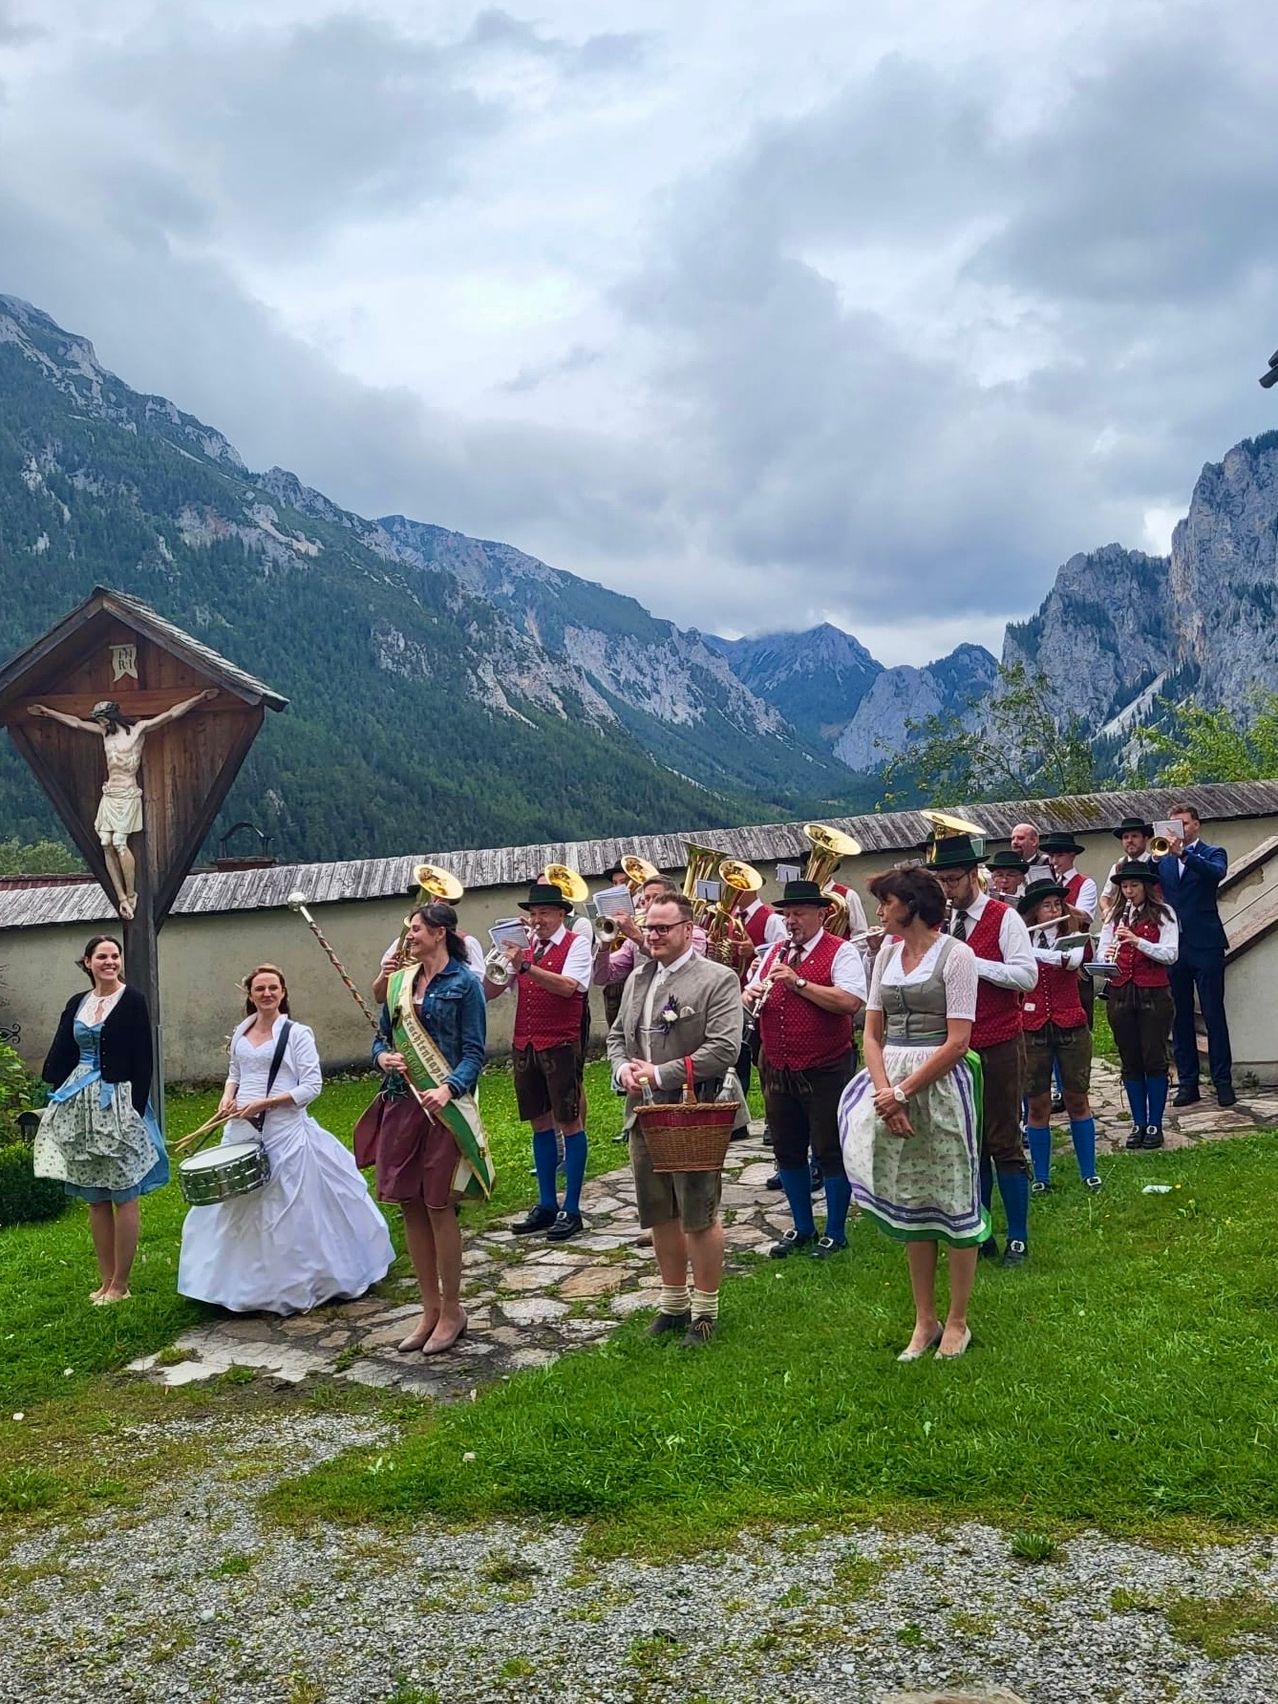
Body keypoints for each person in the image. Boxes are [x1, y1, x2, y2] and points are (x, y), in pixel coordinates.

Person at [178, 965, 394, 1315]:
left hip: (285, 1129)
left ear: (283, 992)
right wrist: (226, 1097)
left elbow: (312, 1087)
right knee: (237, 1201)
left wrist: (265, 1104)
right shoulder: (241, 1031)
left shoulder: (297, 1034)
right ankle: (237, 1283)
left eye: (273, 988)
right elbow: (236, 1072)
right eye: (260, 988)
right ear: (249, 994)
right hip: (240, 1127)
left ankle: (302, 1279)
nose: (267, 994)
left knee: (289, 1204)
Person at [838, 868, 984, 1360]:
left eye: (886, 901)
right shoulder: (885, 953)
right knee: (915, 1196)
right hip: (891, 1081)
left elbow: (959, 1040)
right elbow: (872, 1035)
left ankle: (958, 1321)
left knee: (952, 1196)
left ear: (913, 905)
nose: (878, 911)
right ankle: (925, 1320)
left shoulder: (957, 955)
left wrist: (904, 1092)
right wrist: (885, 1094)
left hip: (938, 1083)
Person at [608, 893, 743, 1346]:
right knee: (659, 1210)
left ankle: (705, 1311)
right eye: (649, 927)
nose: (654, 935)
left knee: (698, 1211)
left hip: (695, 1110)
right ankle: (672, 1303)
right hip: (644, 1110)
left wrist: (661, 1072)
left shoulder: (717, 978)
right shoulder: (637, 977)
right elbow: (615, 1037)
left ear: (688, 929)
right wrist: (622, 1069)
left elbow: (726, 1048)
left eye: (664, 928)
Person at [357, 902, 492, 1352]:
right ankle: (429, 1310)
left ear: (440, 933)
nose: (409, 935)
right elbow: (381, 1036)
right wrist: (383, 1057)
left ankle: (453, 1310)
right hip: (401, 1104)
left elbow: (474, 1051)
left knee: (438, 1205)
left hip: (441, 1108)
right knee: (409, 1204)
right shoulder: (399, 982)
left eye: (416, 929)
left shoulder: (466, 984)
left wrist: (449, 1088)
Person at [33, 934, 168, 1304]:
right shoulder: (78, 1002)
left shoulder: (133, 1001)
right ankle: (105, 1280)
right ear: (88, 962)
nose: (109, 962)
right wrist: (58, 1085)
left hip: (118, 1101)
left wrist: (136, 1111)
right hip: (81, 1102)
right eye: (102, 957)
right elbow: (63, 1047)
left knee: (124, 1192)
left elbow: (144, 1058)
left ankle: (122, 1284)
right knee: (95, 1196)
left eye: (114, 956)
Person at [744, 879, 866, 1259]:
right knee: (787, 1148)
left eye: (798, 914)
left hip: (826, 1065)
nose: (790, 921)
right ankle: (802, 1227)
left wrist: (798, 983)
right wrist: (748, 994)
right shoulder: (774, 952)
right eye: (786, 914)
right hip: (778, 1065)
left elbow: (849, 1002)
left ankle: (835, 1231)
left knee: (829, 1148)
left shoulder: (841, 951)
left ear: (821, 914)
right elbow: (750, 993)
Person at [932, 834, 1037, 1267]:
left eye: (953, 880)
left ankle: (1018, 1236)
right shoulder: (938, 924)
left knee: (1003, 1140)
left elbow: (1026, 976)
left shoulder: (1002, 917)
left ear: (974, 875)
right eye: (940, 881)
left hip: (999, 1044)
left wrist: (972, 963)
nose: (946, 890)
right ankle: (981, 1229)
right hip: (954, 1049)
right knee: (968, 1144)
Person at [28, 690, 218, 918]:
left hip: (127, 793)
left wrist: (198, 698)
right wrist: (48, 713)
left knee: (119, 842)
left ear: (112, 716)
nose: (100, 723)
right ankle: (120, 896)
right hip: (111, 793)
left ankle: (131, 893)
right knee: (105, 841)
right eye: (99, 720)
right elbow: (76, 723)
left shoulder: (137, 731)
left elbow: (170, 714)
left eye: (103, 719)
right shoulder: (104, 734)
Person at [492, 880, 593, 1241]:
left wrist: (526, 968)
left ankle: (573, 1208)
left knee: (570, 1122)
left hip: (561, 1044)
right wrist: (501, 963)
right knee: (539, 1123)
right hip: (527, 1042)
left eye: (545, 913)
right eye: (533, 914)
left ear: (562, 914)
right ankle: (547, 1203)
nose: (537, 921)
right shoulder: (525, 948)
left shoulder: (577, 944)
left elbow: (569, 987)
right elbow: (491, 991)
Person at [1017, 881, 1100, 1192]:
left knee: (1077, 1098)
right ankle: (1041, 1177)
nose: (1054, 910)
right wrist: (1022, 946)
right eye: (1046, 906)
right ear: (1034, 912)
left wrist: (1032, 950)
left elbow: (1070, 962)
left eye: (1057, 904)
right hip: (1033, 1027)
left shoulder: (1073, 936)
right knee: (1037, 1104)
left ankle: (1089, 1172)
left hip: (1070, 1024)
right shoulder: (1021, 939)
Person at [1157, 805, 1236, 1108]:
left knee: (1214, 1014)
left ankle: (1223, 1082)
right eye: (1173, 824)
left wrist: (1184, 854)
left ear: (1196, 826)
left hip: (1206, 943)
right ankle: (1188, 1083)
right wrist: (1152, 859)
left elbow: (1216, 873)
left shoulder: (1213, 852)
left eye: (1184, 824)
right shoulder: (1162, 859)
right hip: (1176, 946)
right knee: (1181, 1017)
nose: (1178, 829)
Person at [1099, 864, 1179, 1148]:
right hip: (1121, 993)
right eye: (1125, 886)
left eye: (1134, 885)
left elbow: (1170, 954)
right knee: (1130, 1059)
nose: (1129, 891)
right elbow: (1101, 951)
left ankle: (1155, 1125)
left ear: (1145, 886)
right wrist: (1108, 957)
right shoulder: (1115, 917)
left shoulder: (1164, 914)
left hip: (1153, 994)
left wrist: (1137, 941)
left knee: (1154, 1058)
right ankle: (1138, 1123)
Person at [1101, 817, 1159, 906]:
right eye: (1125, 837)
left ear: (1145, 839)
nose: (1129, 841)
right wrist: (1108, 913)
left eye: (1134, 836)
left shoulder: (1157, 863)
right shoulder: (1118, 867)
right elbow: (1105, 897)